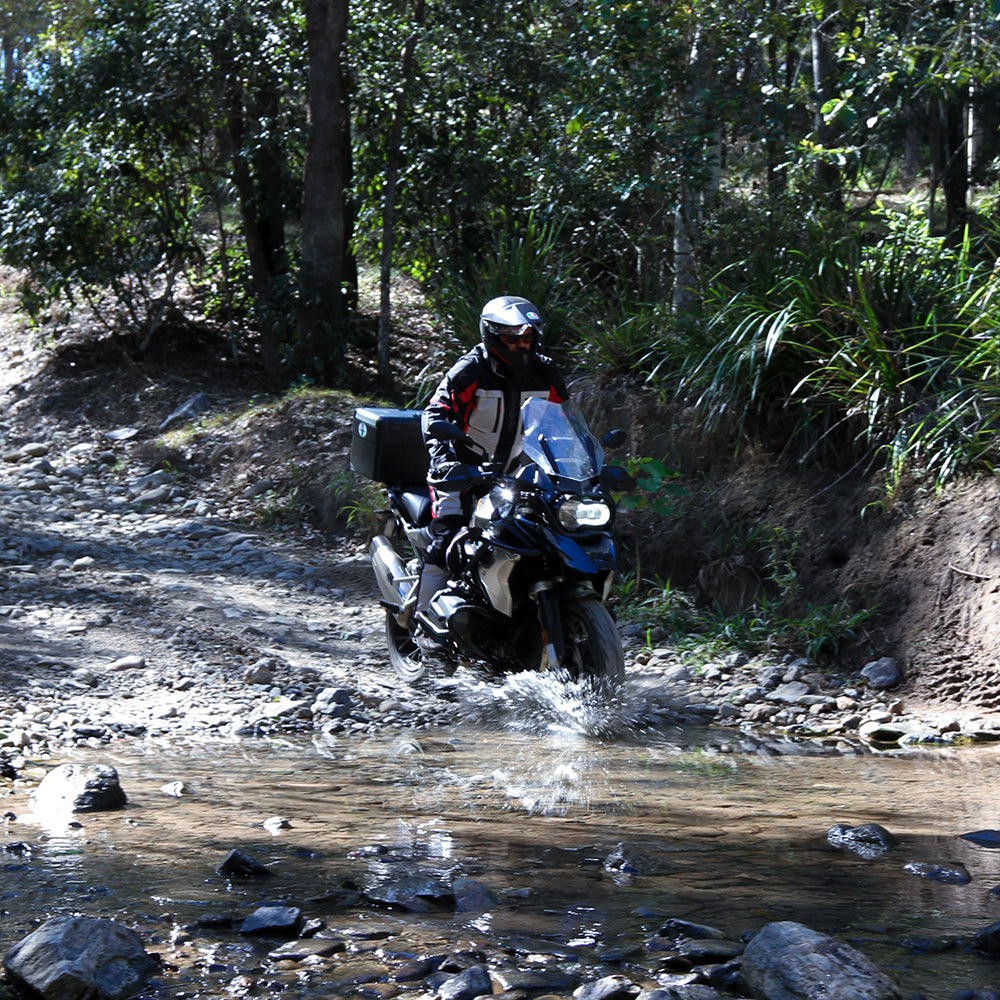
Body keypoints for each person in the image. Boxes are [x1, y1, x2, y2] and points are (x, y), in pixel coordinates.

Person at [414, 295, 569, 640]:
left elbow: (565, 423)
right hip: (462, 473)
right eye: (511, 338)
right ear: (491, 334)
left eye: (527, 336)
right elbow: (435, 413)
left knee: (540, 540)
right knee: (447, 544)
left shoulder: (545, 372)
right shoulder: (472, 369)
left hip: (515, 473)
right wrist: (445, 460)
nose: (520, 344)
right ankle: (425, 636)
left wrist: (578, 465)